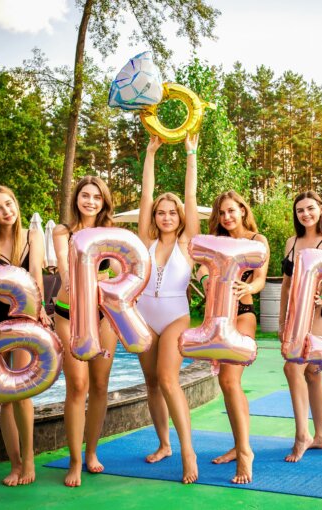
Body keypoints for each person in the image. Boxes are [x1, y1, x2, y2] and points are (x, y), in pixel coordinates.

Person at [0, 185, 50, 486]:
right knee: (4, 396)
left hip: (27, 318)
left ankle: (29, 460)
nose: (7, 211)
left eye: (10, 203)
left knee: (22, 392)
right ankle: (14, 463)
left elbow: (37, 281)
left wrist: (40, 311)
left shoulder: (32, 236)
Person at [135, 134, 200, 484]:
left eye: (171, 212)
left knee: (168, 379)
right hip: (144, 316)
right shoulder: (145, 241)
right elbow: (146, 195)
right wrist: (150, 152)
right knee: (151, 382)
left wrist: (190, 153)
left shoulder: (188, 242)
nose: (165, 216)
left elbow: (190, 197)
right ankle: (164, 444)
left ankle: (188, 452)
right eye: (161, 213)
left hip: (175, 315)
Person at [52, 176, 118, 487]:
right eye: (85, 195)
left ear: (104, 202)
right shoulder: (63, 232)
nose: (90, 201)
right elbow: (65, 269)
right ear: (76, 199)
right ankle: (75, 461)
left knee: (100, 385)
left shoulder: (112, 236)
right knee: (77, 386)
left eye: (96, 197)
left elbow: (122, 274)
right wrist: (72, 279)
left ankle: (92, 452)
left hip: (104, 316)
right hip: (69, 315)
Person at [200, 190, 269, 484]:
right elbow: (202, 269)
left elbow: (260, 279)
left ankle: (245, 453)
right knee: (226, 385)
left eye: (232, 211)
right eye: (222, 212)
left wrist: (248, 289)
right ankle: (237, 444)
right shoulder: (215, 242)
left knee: (230, 380)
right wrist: (205, 281)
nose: (227, 217)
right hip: (216, 315)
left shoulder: (257, 241)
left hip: (242, 312)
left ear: (242, 210)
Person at [278, 191, 322, 462]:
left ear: (321, 210)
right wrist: (281, 320)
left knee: (293, 366)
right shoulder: (292, 242)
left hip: (319, 310)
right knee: (313, 373)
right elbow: (286, 283)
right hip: (295, 312)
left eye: (310, 208)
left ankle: (302, 435)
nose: (305, 214)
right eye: (300, 210)